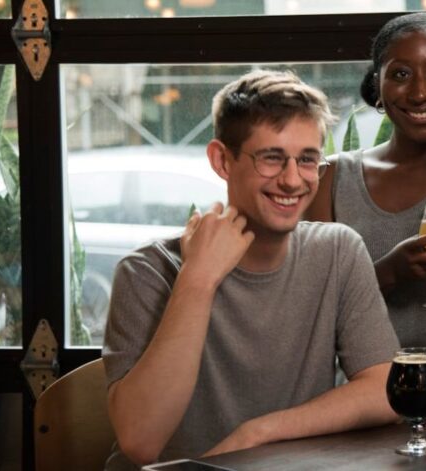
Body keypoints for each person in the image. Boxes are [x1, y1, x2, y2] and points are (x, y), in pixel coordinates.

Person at [102, 70, 400, 470]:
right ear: (222, 160)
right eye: (271, 158)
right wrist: (199, 277)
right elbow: (140, 441)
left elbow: (386, 389)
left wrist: (257, 434)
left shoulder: (338, 251)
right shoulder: (145, 272)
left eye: (307, 159)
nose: (293, 180)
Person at [304, 12, 426, 407]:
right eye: (400, 75)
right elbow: (306, 310)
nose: (419, 92)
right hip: (349, 414)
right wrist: (384, 273)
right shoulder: (332, 178)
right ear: (377, 88)